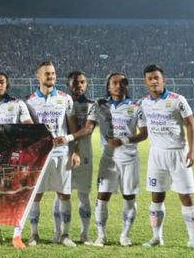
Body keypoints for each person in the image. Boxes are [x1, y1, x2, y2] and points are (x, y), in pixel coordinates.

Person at [72, 73, 146, 247]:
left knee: (129, 198)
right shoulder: (99, 106)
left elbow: (144, 133)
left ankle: (125, 236)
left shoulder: (136, 107)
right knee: (102, 197)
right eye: (114, 83)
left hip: (129, 160)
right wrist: (68, 137)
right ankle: (101, 236)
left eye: (122, 83)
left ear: (127, 85)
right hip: (108, 160)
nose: (118, 85)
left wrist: (125, 140)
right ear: (108, 86)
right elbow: (88, 128)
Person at [137, 65, 194, 251]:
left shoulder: (177, 100)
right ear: (145, 82)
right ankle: (156, 237)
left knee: (186, 196)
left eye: (157, 77)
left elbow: (190, 124)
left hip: (178, 153)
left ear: (164, 80)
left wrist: (192, 150)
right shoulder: (144, 103)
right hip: (156, 154)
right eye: (150, 78)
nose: (154, 81)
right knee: (156, 196)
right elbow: (142, 129)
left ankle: (193, 239)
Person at [24, 61, 80, 247]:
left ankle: (64, 235)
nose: (51, 76)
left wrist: (75, 151)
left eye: (53, 73)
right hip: (39, 156)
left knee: (64, 194)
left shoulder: (65, 99)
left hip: (62, 153)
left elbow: (73, 127)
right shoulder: (29, 101)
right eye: (47, 73)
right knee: (36, 195)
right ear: (38, 76)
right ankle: (34, 235)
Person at [0, 71, 33, 248]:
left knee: (16, 196)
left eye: (2, 82)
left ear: (7, 85)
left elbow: (30, 128)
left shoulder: (18, 104)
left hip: (15, 158)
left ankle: (17, 235)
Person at [61, 71, 95, 244]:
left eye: (82, 82)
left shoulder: (92, 105)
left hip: (85, 152)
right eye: (75, 83)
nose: (79, 86)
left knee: (84, 194)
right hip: (63, 151)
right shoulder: (61, 103)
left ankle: (85, 234)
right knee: (61, 194)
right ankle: (58, 233)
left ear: (87, 84)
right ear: (69, 85)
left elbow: (89, 129)